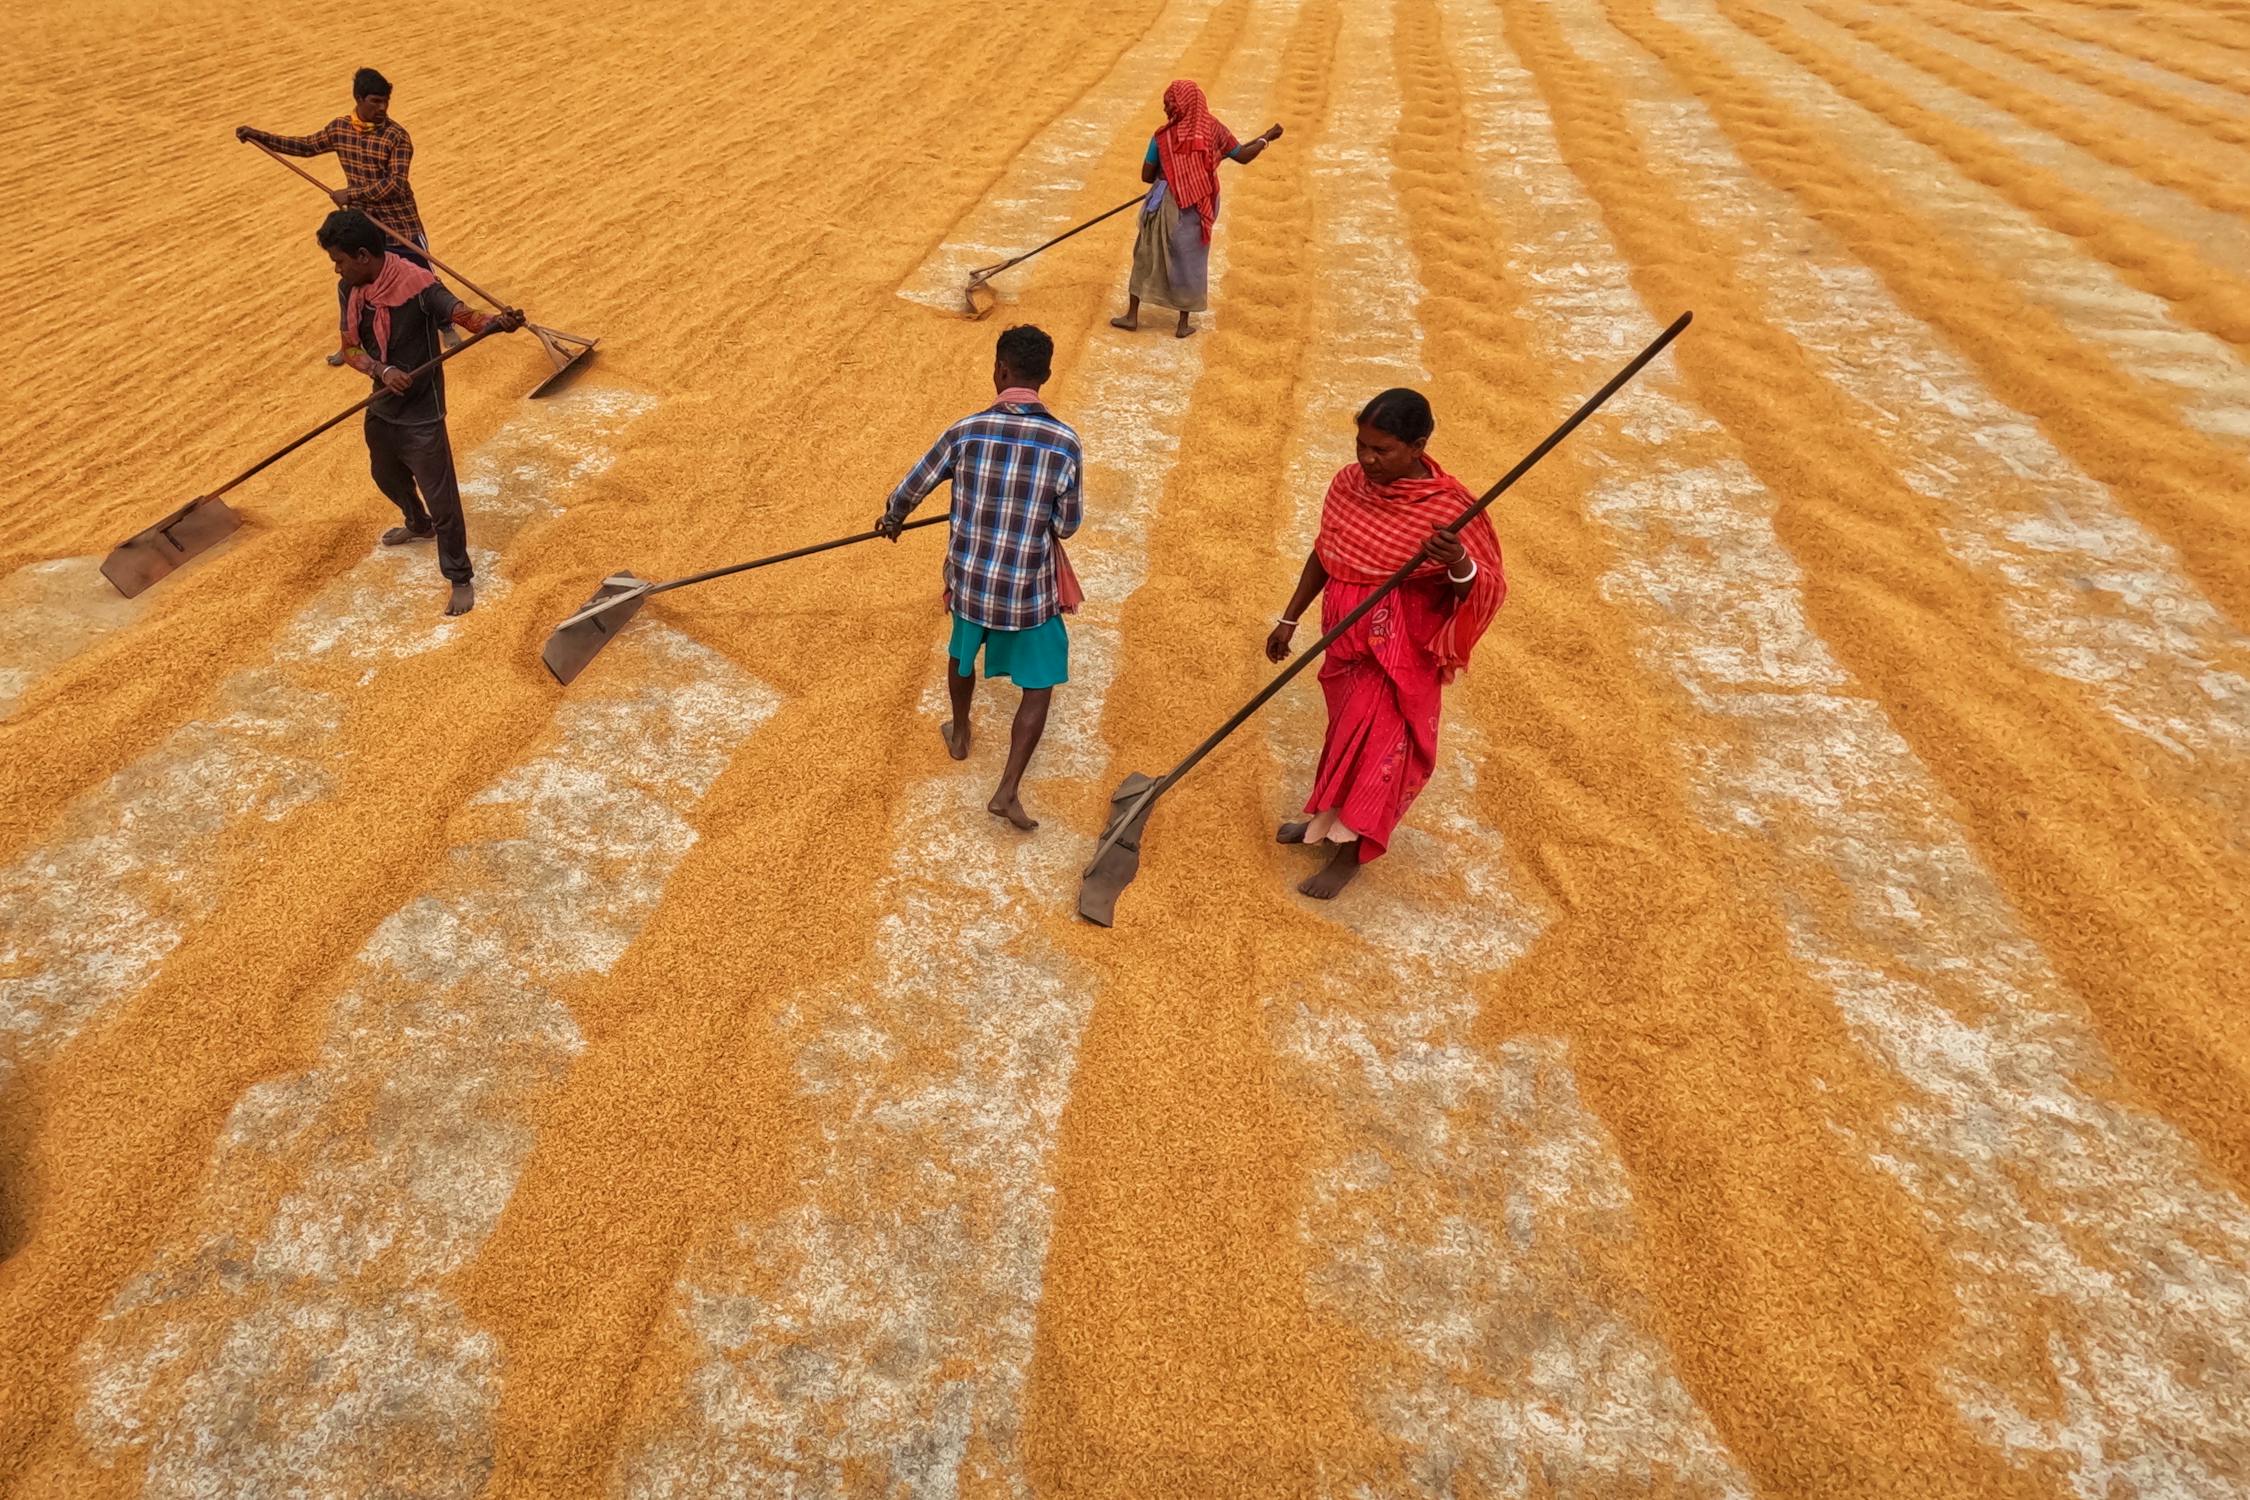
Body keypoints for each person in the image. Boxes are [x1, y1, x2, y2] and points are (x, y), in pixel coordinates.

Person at [1264, 389, 1505, 900]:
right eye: (1362, 446)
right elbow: (1326, 552)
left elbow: (1481, 587)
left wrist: (1457, 558)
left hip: (1400, 652)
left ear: (1418, 447)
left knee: (1381, 748)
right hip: (1345, 639)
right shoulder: (1349, 485)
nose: (1367, 460)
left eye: (1383, 450)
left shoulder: (1448, 511)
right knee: (1346, 736)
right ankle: (1325, 821)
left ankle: (1351, 852)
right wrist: (1289, 617)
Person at [878, 326, 1083, 831]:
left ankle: (962, 733)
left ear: (999, 370)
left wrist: (893, 519)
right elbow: (1067, 525)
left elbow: (911, 487)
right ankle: (1008, 789)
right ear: (1045, 377)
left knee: (961, 653)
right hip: (1027, 591)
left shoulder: (965, 431)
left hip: (971, 581)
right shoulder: (1064, 442)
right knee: (1040, 686)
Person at [318, 210, 521, 617]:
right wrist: (383, 370)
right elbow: (352, 348)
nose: (337, 269)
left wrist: (497, 323)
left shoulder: (421, 286)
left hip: (422, 415)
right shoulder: (350, 288)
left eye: (339, 260)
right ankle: (417, 523)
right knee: (385, 475)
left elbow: (463, 315)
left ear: (362, 255)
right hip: (382, 404)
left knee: (442, 499)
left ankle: (459, 576)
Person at [238, 70, 454, 365]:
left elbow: (397, 185)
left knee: (423, 277)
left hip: (401, 223)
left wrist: (351, 195)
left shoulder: (397, 137)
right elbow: (305, 147)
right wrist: (259, 137)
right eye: (376, 102)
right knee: (354, 285)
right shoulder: (340, 129)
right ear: (359, 99)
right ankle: (351, 344)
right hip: (364, 228)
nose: (382, 109)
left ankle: (446, 324)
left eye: (386, 102)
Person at [1110, 81, 1280, 339]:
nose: (1166, 107)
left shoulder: (1162, 136)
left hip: (1165, 203)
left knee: (1146, 253)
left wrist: (1170, 173)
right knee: (1189, 260)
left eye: (1169, 103)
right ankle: (1182, 323)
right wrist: (1266, 138)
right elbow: (1243, 155)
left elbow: (1146, 176)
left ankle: (1132, 315)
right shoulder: (1214, 130)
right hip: (1198, 205)